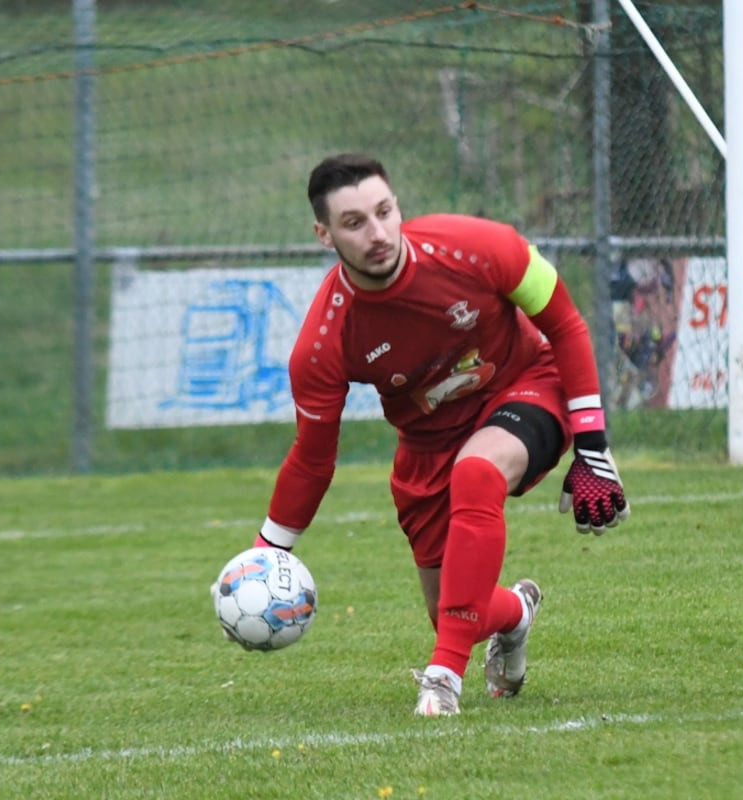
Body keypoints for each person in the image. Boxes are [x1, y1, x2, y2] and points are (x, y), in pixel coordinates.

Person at [250, 153, 629, 716]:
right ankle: (516, 615)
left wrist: (593, 448)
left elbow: (566, 325)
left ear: (398, 204)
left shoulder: (479, 246)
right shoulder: (324, 342)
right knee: (459, 609)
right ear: (324, 234)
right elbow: (313, 458)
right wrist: (265, 553)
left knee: (477, 472)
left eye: (384, 211)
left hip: (526, 384)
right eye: (354, 223)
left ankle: (443, 676)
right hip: (428, 444)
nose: (378, 233)